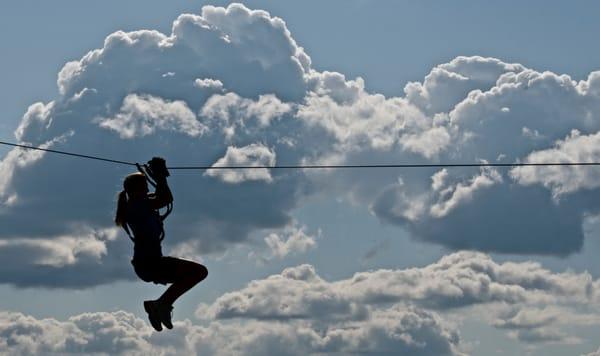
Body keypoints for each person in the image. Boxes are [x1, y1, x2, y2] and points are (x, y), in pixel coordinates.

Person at [114, 157, 208, 331]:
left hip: (148, 263)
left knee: (196, 273)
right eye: (145, 186)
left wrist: (159, 177)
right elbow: (164, 198)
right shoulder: (138, 206)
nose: (148, 189)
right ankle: (161, 305)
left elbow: (160, 197)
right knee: (198, 272)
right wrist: (160, 176)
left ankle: (160, 305)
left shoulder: (137, 204)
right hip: (149, 263)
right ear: (139, 190)